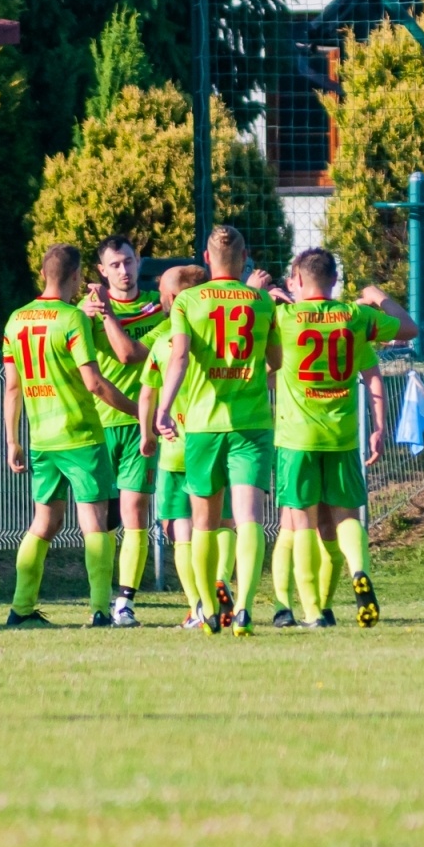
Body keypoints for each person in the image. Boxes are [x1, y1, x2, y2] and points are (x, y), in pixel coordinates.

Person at [268, 248, 417, 628]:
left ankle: (312, 612)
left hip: (297, 436)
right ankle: (358, 572)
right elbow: (408, 327)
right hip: (342, 436)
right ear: (335, 281)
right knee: (346, 518)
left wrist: (262, 294)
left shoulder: (284, 316)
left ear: (297, 280)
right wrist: (376, 294)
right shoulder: (354, 318)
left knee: (300, 524)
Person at [3, 244, 140, 628]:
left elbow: (12, 387)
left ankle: (21, 608)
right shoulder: (71, 320)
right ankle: (100, 610)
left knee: (43, 525)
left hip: (42, 440)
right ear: (77, 276)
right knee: (95, 524)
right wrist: (138, 411)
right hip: (81, 436)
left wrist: (13, 440)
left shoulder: (16, 320)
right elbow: (95, 384)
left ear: (43, 274)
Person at [154, 225, 281, 637]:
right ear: (245, 259)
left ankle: (208, 608)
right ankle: (243, 608)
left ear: (206, 260)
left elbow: (180, 358)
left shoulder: (189, 300)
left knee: (203, 524)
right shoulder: (261, 302)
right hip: (252, 424)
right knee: (248, 520)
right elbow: (275, 361)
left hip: (205, 426)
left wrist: (165, 407)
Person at [78, 236, 165, 628]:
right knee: (102, 518)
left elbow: (131, 354)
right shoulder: (85, 312)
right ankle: (100, 600)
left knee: (135, 512)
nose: (124, 271)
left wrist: (110, 314)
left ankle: (125, 601)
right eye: (115, 265)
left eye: (129, 262)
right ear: (101, 270)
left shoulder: (156, 307)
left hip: (137, 426)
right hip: (97, 425)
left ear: (139, 260)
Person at [137, 264, 210, 628]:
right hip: (208, 442)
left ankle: (198, 605)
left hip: (173, 450)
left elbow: (146, 391)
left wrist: (145, 433)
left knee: (179, 531)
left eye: (166, 291)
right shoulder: (214, 337)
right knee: (214, 527)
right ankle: (217, 591)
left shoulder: (165, 341)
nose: (161, 297)